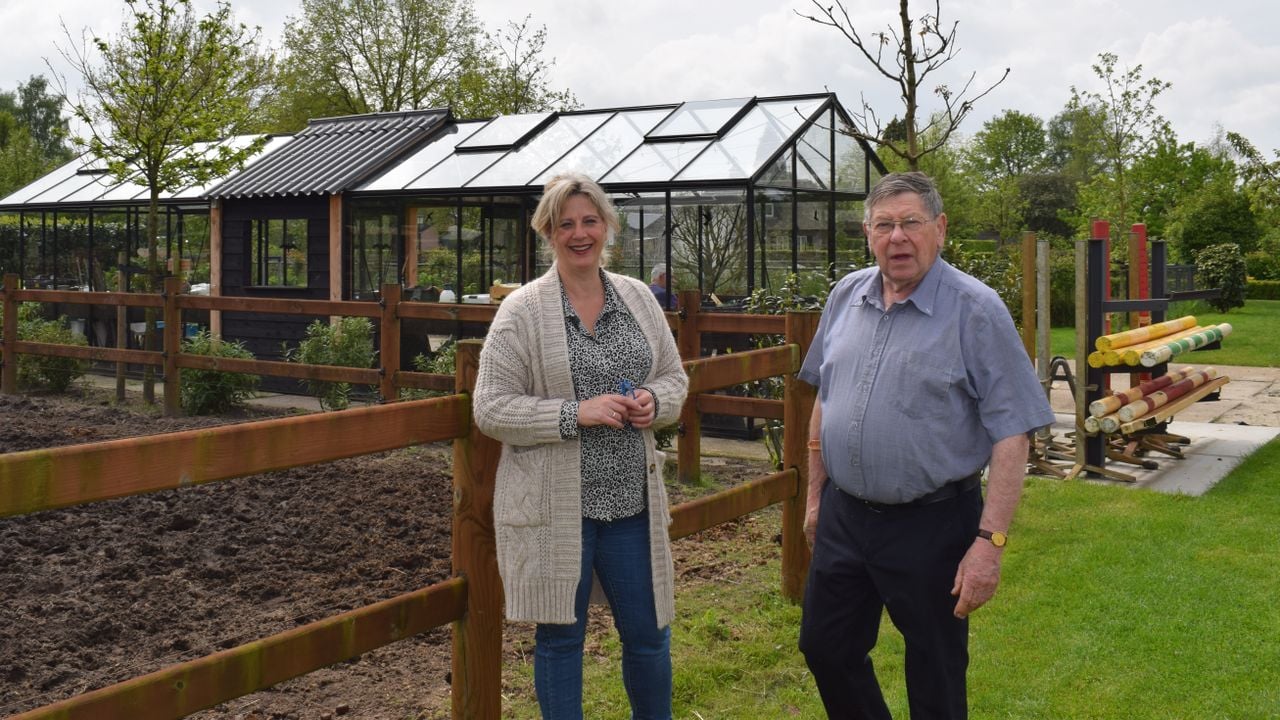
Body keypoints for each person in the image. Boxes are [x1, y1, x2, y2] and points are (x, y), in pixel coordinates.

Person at [797, 172, 1055, 719]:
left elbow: (1013, 432)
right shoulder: (846, 295)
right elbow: (826, 396)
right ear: (867, 233)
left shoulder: (976, 310)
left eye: (911, 223)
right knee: (826, 648)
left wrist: (990, 544)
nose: (898, 237)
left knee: (935, 673)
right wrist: (816, 497)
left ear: (939, 229)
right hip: (845, 516)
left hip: (932, 523)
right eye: (884, 225)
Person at [473, 172, 688, 720]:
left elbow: (673, 379)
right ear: (547, 232)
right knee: (561, 641)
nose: (579, 233)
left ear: (607, 226)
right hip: (555, 512)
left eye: (589, 220)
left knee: (648, 636)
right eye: (565, 223)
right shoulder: (522, 311)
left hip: (630, 508)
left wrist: (652, 403)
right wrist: (575, 413)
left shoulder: (638, 298)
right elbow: (491, 407)